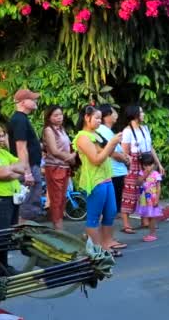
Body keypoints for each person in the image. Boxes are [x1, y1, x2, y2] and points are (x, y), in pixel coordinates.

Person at [73, 106, 123, 257]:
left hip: (107, 178)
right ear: (86, 118)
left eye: (100, 118)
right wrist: (111, 144)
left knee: (110, 212)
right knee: (94, 217)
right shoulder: (82, 137)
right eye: (96, 118)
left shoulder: (97, 134)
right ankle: (96, 250)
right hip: (95, 181)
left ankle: (106, 245)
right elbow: (96, 160)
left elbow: (105, 152)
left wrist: (115, 150)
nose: (99, 121)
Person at [120, 105, 164, 234]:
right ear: (135, 115)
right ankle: (126, 223)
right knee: (130, 192)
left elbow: (150, 148)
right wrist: (129, 167)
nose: (143, 114)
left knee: (147, 190)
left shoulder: (145, 129)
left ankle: (145, 219)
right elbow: (124, 152)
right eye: (141, 112)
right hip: (133, 164)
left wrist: (158, 164)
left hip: (146, 162)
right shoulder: (127, 131)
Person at [97, 104, 129, 250]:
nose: (117, 114)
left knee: (110, 209)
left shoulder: (107, 131)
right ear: (107, 115)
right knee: (109, 209)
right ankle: (105, 239)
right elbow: (112, 153)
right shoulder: (104, 131)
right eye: (114, 112)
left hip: (115, 171)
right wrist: (125, 159)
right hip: (114, 172)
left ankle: (104, 237)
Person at [8, 89, 43, 222]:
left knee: (30, 202)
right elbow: (21, 147)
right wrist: (27, 172)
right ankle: (22, 235)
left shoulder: (21, 119)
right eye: (32, 99)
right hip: (27, 168)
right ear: (23, 102)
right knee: (28, 204)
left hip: (30, 166)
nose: (35, 101)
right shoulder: (19, 120)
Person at [42, 106, 77, 230]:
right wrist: (71, 157)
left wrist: (72, 155)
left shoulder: (61, 129)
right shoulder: (49, 130)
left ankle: (59, 225)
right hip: (54, 167)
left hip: (64, 166)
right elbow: (54, 151)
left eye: (60, 114)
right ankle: (58, 227)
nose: (59, 117)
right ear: (49, 117)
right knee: (56, 198)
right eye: (55, 115)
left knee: (62, 198)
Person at [0, 124, 25, 275]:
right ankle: (2, 269)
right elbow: (2, 173)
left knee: (7, 234)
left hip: (11, 198)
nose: (1, 138)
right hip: (1, 199)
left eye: (2, 134)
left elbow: (22, 167)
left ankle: (4, 266)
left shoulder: (3, 152)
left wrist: (11, 171)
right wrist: (10, 171)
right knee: (1, 236)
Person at [134, 153, 163, 242]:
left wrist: (157, 199)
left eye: (150, 165)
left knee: (152, 216)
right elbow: (138, 183)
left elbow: (158, 187)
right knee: (147, 215)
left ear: (153, 165)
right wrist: (144, 175)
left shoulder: (156, 174)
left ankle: (152, 234)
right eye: (145, 165)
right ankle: (150, 233)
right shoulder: (141, 173)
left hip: (152, 198)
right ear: (142, 165)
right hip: (144, 199)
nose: (148, 167)